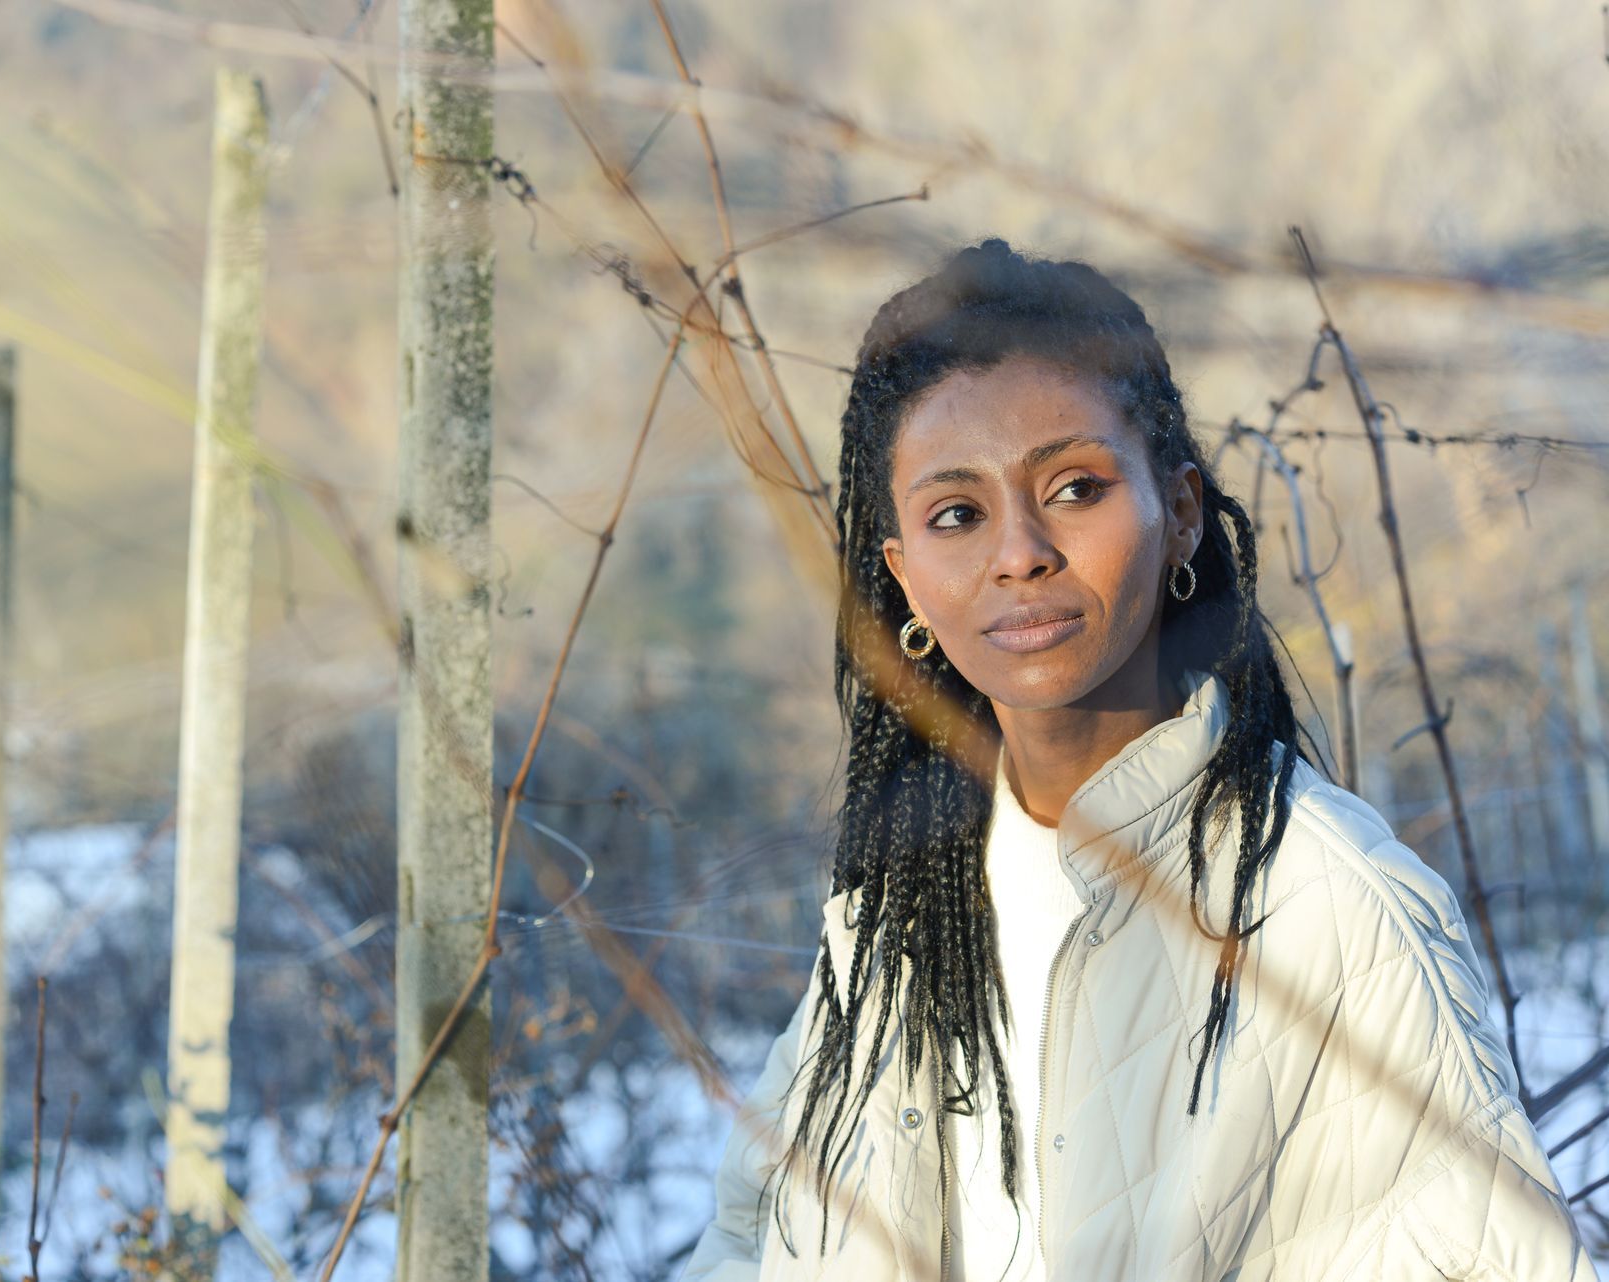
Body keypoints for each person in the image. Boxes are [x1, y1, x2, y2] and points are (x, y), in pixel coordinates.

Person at [676, 239, 1598, 1280]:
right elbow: (746, 1241)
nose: (1019, 553)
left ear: (1182, 514)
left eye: (1075, 488)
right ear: (905, 575)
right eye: (957, 515)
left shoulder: (1331, 908)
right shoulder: (892, 921)